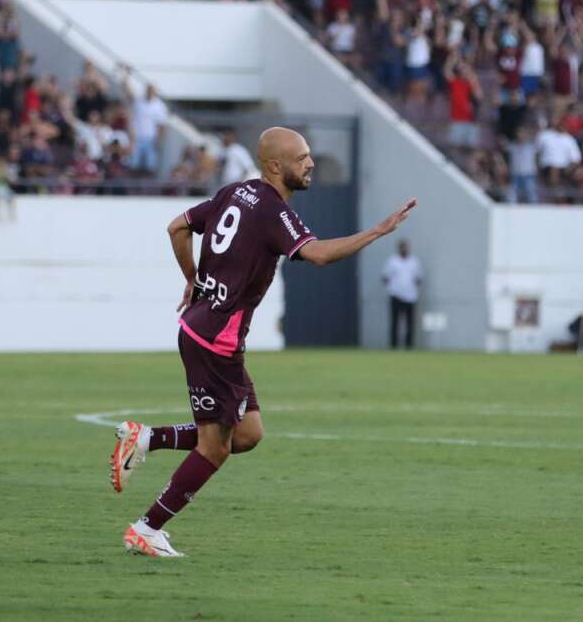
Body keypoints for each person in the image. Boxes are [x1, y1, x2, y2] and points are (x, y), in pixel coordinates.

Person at [109, 127, 417, 557]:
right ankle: (147, 528)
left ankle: (147, 439)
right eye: (302, 157)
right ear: (275, 166)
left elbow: (178, 227)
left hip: (204, 331)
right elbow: (319, 255)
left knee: (249, 433)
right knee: (214, 449)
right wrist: (379, 231)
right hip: (216, 343)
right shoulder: (273, 210)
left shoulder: (236, 192)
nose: (310, 163)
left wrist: (193, 280)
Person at [382, 239, 422, 349]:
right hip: (396, 295)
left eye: (406, 247)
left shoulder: (414, 261)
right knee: (395, 322)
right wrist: (393, 288)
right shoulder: (392, 261)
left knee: (410, 323)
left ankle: (409, 346)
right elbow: (385, 277)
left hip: (410, 297)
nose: (404, 249)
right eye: (402, 247)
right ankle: (393, 346)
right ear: (399, 248)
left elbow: (418, 278)